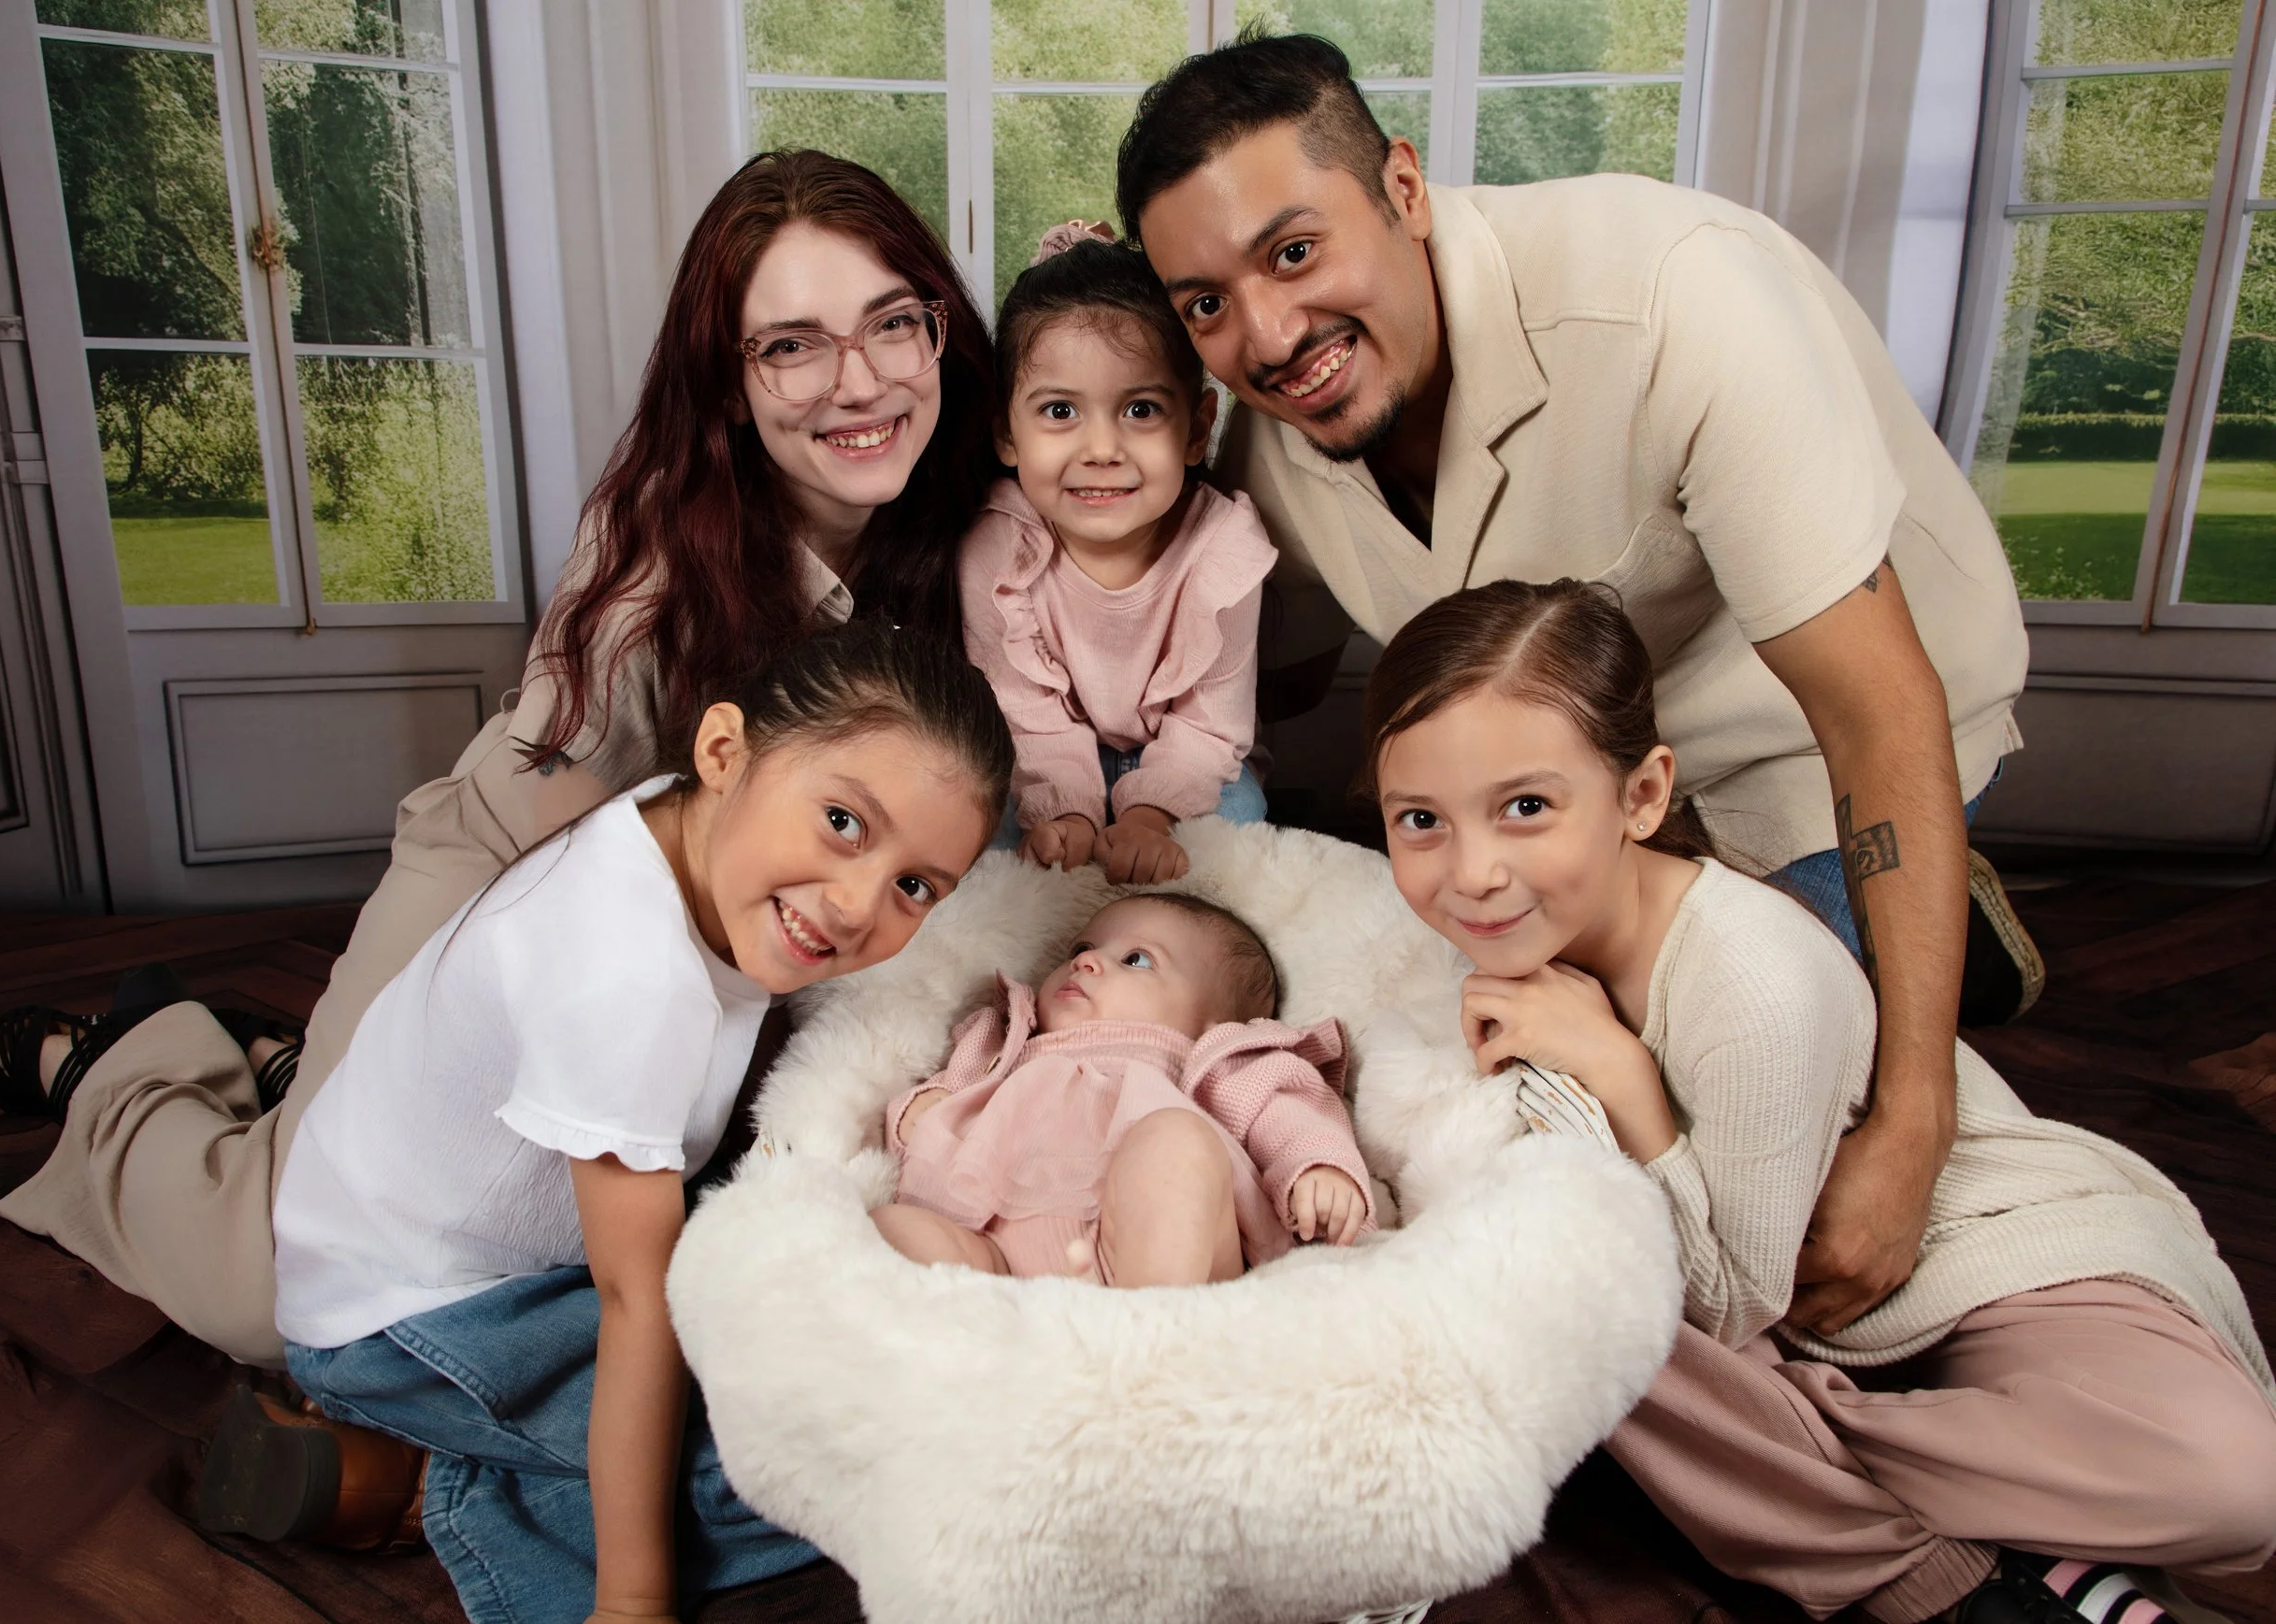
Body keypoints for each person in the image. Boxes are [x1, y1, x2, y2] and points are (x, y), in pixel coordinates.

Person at [0, 151, 998, 1368]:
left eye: (892, 324)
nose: (860, 380)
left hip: (742, 936)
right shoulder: (661, 553)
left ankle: (282, 1067)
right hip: (520, 875)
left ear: (941, 330)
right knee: (265, 1297)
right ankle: (121, 1063)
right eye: (792, 346)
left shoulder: (975, 516)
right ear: (725, 385)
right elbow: (575, 860)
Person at [1116, 31, 2039, 1340]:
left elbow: (1874, 714)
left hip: (1802, 754)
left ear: (1405, 187)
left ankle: (1920, 951)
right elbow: (1264, 673)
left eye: (1294, 250)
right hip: (1556, 798)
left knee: (1760, 1165)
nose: (1266, 333)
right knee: (1517, 1084)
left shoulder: (1676, 300)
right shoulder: (1275, 432)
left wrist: (1915, 1119)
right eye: (1204, 301)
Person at [1362, 579, 2276, 1624]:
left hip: (1972, 1262)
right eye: (1421, 821)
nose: (1472, 873)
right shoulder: (1508, 941)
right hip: (1792, 1321)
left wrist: (1621, 1079)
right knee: (1557, 1281)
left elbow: (1736, 1304)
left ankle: (1831, 1499)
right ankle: (1975, 1555)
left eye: (1526, 807)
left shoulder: (1752, 983)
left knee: (2230, 1485)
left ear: (1642, 797)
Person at [228, 623, 1013, 1624]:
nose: (860, 906)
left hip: (488, 1255)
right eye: (843, 823)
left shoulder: (680, 829)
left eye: (915, 887)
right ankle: (425, 1486)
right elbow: (637, 1300)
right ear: (724, 752)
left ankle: (434, 1464)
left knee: (815, 1383)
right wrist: (634, 1601)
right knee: (822, 1465)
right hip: (402, 1319)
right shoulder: (621, 979)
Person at [962, 222, 1279, 886]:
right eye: (1058, 412)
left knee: (1241, 810)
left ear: (1196, 430)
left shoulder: (1224, 552)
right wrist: (1066, 812)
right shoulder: (997, 547)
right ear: (1006, 434)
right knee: (982, 829)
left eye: (1140, 410)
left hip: (1181, 756)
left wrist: (1152, 816)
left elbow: (1212, 724)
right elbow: (1022, 709)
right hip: (1037, 754)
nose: (1101, 449)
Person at [872, 893, 1373, 1286]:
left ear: (1215, 1023)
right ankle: (994, 1346)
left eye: (1137, 960)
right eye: (1083, 950)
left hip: (1162, 1261)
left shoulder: (1215, 1062)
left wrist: (1319, 1166)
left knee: (1177, 1142)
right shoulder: (1010, 1039)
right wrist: (926, 1106)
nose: (1087, 963)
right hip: (1000, 1262)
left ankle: (1147, 1328)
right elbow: (951, 1095)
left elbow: (1290, 1114)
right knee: (893, 1228)